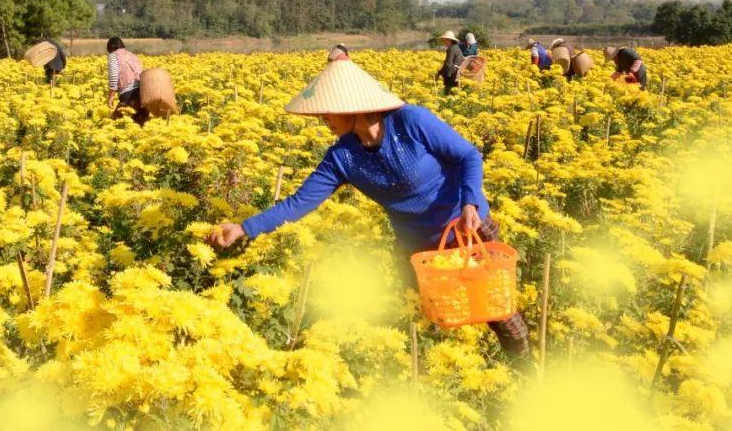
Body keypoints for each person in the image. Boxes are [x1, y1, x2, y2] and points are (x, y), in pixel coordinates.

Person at [207, 59, 531, 362]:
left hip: (467, 229)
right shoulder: (342, 157)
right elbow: (299, 202)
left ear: (352, 108)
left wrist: (470, 203)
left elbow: (468, 157)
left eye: (328, 112)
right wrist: (244, 228)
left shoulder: (411, 122)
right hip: (416, 247)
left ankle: (525, 370)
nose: (323, 120)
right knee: (423, 312)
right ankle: (438, 374)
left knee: (496, 310)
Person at [106, 37, 149, 126]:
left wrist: (111, 96)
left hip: (128, 94)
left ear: (110, 47)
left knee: (116, 124)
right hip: (142, 92)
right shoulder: (132, 55)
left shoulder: (113, 56)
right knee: (140, 125)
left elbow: (114, 77)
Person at [435, 30, 464, 94]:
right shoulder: (456, 48)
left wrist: (441, 74)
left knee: (448, 93)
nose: (444, 42)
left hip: (452, 75)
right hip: (457, 74)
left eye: (445, 40)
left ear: (449, 40)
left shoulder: (451, 49)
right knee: (454, 94)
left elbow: (448, 64)